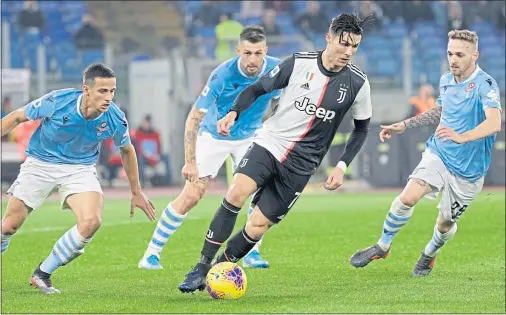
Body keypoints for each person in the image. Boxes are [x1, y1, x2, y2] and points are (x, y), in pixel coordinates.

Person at [179, 13, 374, 293]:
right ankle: (200, 266)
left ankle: (217, 268)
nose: (348, 52)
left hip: (302, 165)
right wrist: (234, 111)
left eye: (354, 46)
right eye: (343, 44)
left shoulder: (358, 83)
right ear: (328, 38)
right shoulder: (299, 63)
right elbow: (259, 88)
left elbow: (362, 129)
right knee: (236, 192)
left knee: (257, 226)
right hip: (271, 142)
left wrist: (342, 164)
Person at [349, 30, 502, 276]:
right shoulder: (446, 80)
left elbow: (494, 123)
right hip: (439, 153)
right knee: (408, 197)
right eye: (450, 53)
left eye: (460, 54)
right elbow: (440, 111)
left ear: (475, 55)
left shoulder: (485, 84)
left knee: (445, 224)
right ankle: (383, 245)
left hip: (469, 170)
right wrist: (406, 124)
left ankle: (429, 254)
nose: (453, 59)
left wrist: (462, 136)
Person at [0, 63, 156, 294]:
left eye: (112, 91)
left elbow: (127, 150)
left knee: (91, 222)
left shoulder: (114, 117)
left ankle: (42, 274)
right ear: (86, 89)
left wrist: (136, 191)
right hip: (40, 164)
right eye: (103, 91)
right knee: (9, 226)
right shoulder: (57, 101)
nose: (108, 97)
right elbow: (16, 117)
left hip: (80, 168)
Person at [138, 26, 280, 271]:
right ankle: (151, 254)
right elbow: (194, 117)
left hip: (250, 137)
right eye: (247, 53)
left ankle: (253, 253)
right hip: (213, 135)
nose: (253, 60)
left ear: (265, 51)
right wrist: (190, 161)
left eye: (258, 53)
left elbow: (283, 101)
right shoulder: (222, 75)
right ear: (238, 51)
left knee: (257, 192)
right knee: (192, 195)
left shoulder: (277, 69)